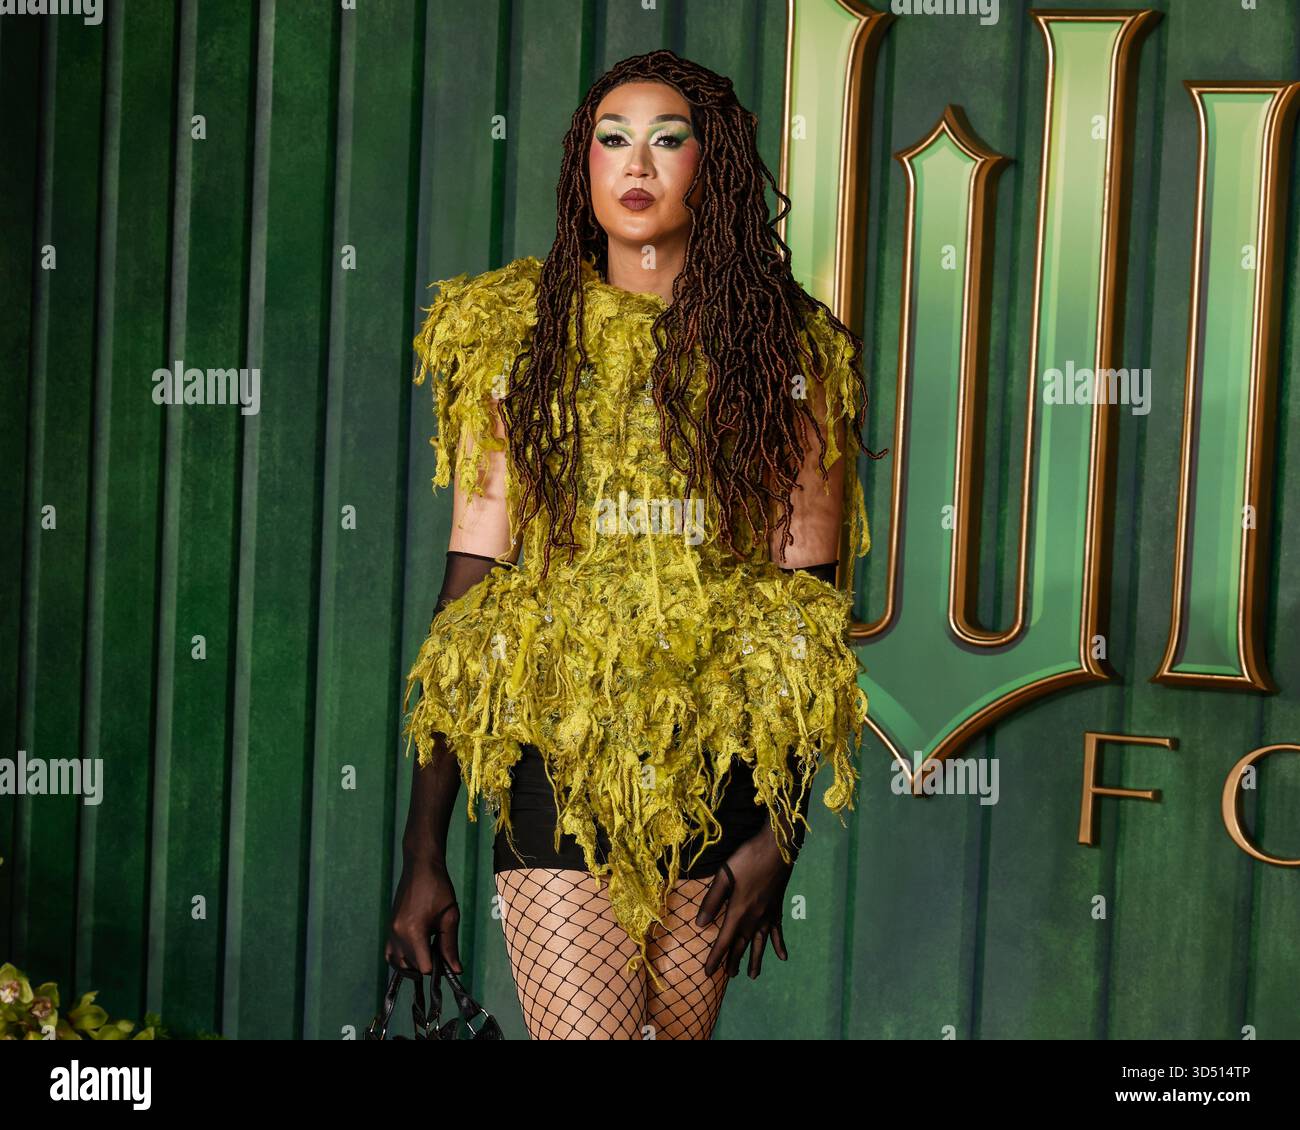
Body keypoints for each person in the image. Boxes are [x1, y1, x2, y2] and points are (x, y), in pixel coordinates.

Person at [385, 49, 883, 1040]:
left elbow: (805, 619)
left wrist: (777, 835)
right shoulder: (514, 336)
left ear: (716, 168)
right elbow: (468, 600)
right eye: (611, 138)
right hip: (558, 762)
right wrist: (424, 849)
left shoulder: (787, 353)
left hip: (718, 780)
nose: (635, 162)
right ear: (583, 168)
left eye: (667, 138)